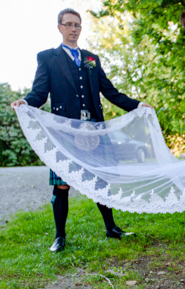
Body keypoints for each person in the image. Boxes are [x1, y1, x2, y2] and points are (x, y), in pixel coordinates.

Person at [11, 8, 152, 253]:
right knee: (62, 185)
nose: (74, 29)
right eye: (69, 25)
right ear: (60, 28)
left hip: (94, 130)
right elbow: (40, 93)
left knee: (101, 179)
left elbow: (110, 92)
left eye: (77, 25)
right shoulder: (47, 58)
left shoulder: (91, 59)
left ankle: (111, 228)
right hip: (65, 131)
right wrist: (25, 101)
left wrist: (137, 105)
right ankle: (60, 237)